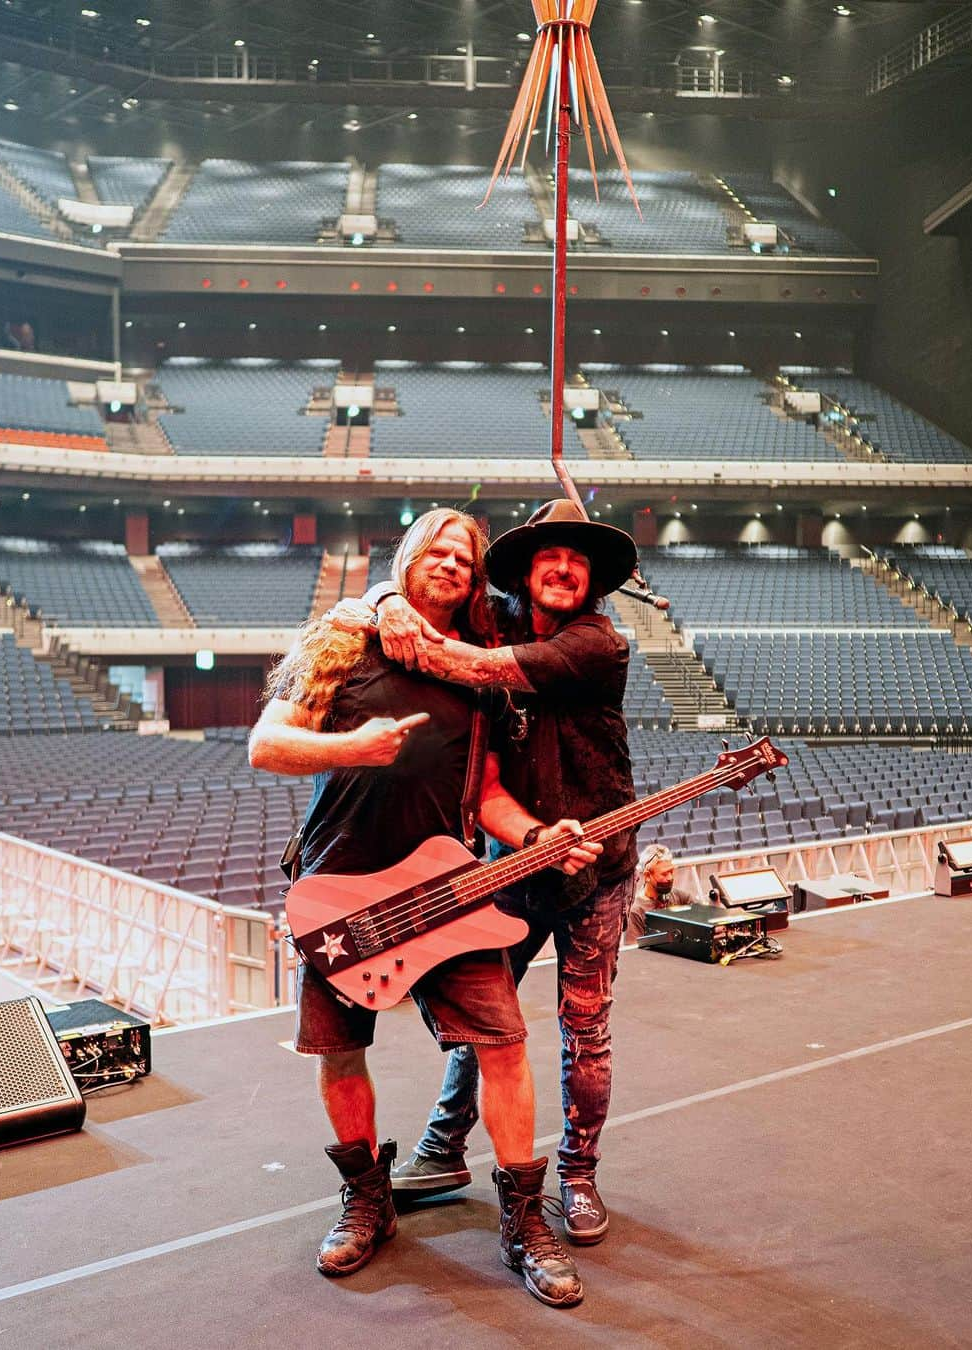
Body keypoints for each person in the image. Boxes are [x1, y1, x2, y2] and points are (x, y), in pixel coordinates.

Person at [248, 508, 599, 1308]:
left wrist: (541, 837)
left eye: (464, 560)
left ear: (476, 581)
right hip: (340, 889)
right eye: (435, 552)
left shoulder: (471, 671)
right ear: (405, 560)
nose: (449, 566)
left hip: (448, 891)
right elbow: (265, 744)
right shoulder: (344, 642)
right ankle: (367, 1201)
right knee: (341, 1053)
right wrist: (350, 748)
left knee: (504, 1043)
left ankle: (522, 1221)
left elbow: (486, 795)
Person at [344, 499, 639, 1247]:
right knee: (488, 1018)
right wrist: (384, 598)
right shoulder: (493, 614)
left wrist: (397, 621)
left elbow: (465, 663)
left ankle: (576, 1175)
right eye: (551, 555)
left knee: (586, 1029)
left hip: (597, 867)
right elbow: (419, 599)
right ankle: (444, 1149)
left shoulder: (600, 641)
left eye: (579, 559)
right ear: (528, 568)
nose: (565, 567)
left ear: (594, 579)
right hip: (516, 854)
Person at [626, 844, 691, 945]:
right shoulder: (636, 911)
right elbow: (633, 953)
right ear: (647, 876)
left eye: (671, 872)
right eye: (664, 874)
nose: (670, 878)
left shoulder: (679, 897)